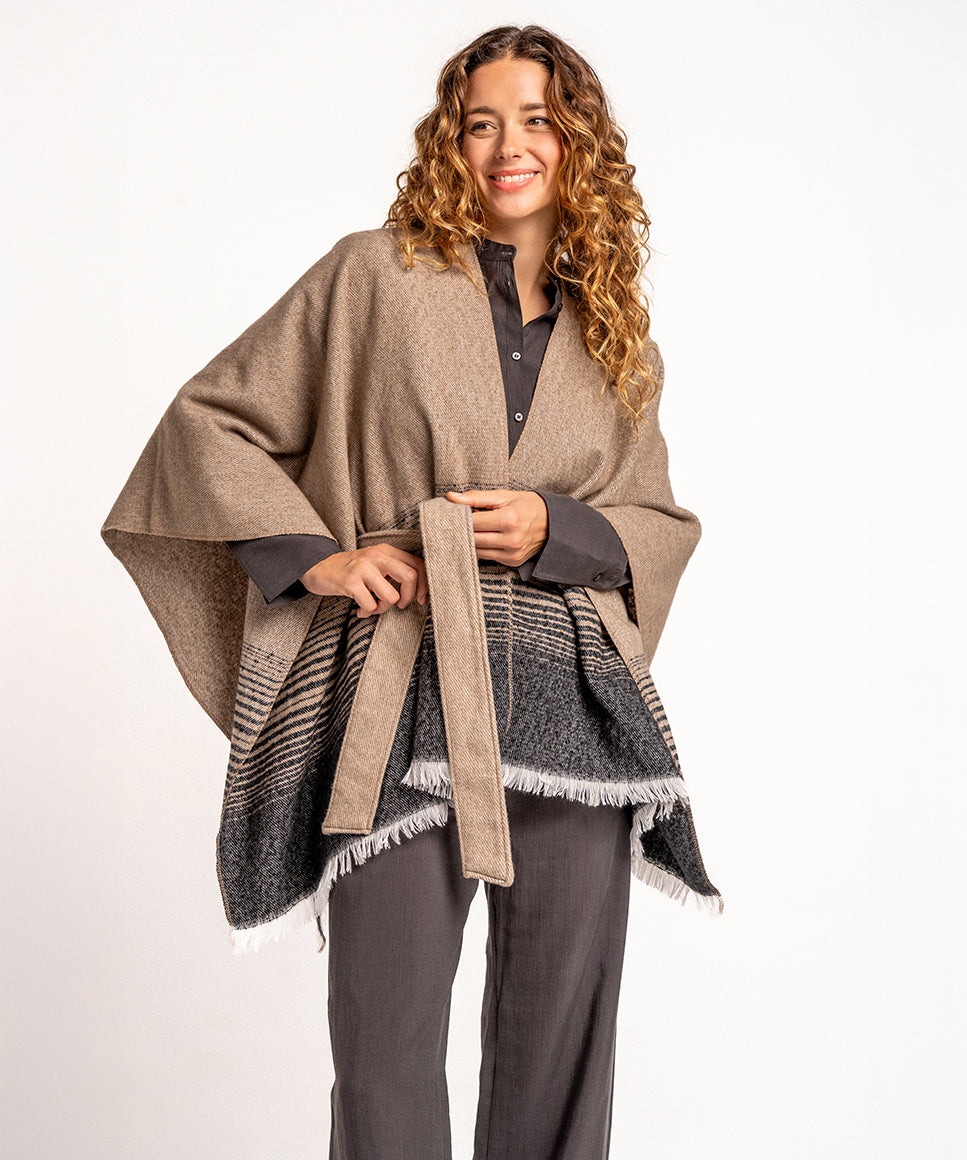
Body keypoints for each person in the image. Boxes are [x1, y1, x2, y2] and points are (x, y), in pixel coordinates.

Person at [102, 23, 723, 1160]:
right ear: (450, 141)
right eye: (481, 123)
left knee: (561, 1043)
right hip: (399, 696)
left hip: (571, 713)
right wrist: (318, 556)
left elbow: (658, 524)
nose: (508, 146)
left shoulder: (614, 329)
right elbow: (209, 422)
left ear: (579, 143)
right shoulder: (372, 276)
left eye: (537, 120)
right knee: (382, 1044)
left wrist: (558, 526)